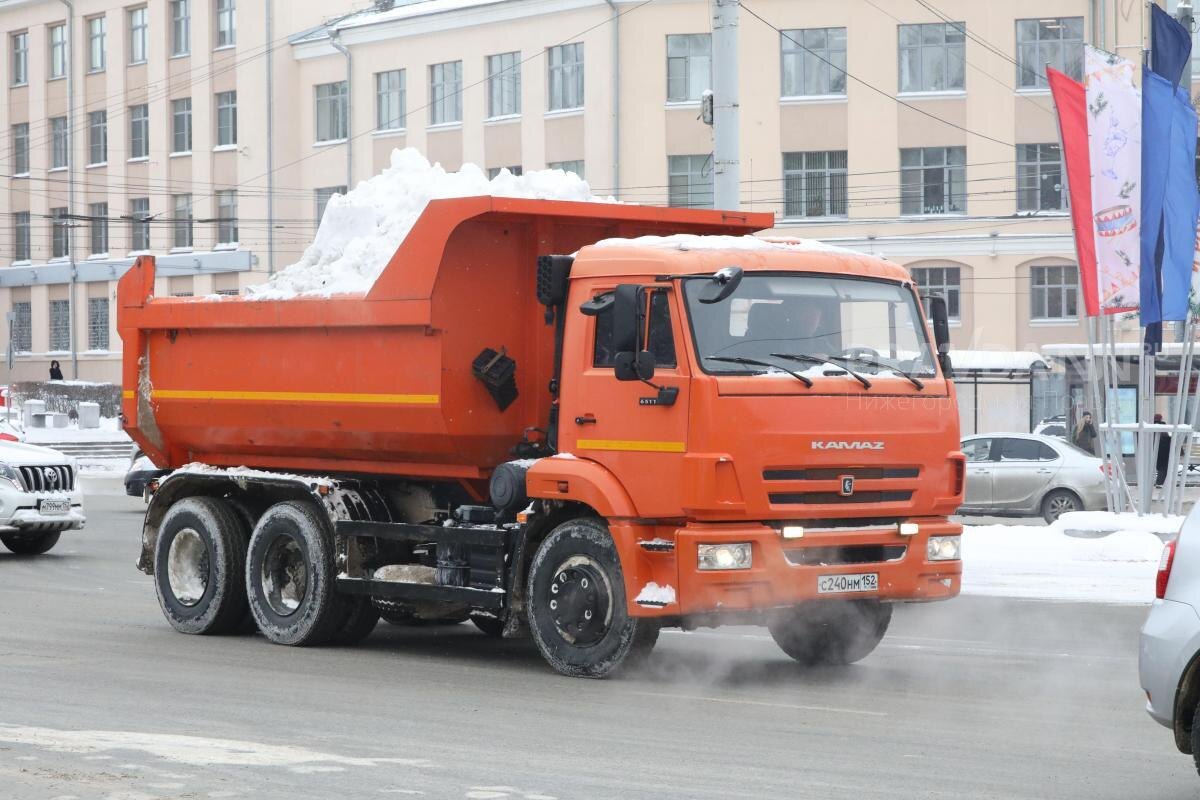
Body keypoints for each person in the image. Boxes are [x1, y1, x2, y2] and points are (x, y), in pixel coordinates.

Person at [1156, 413, 1171, 488]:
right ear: (1161, 419)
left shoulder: (1151, 427)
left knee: (1161, 467)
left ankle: (1159, 482)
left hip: (1156, 452)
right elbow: (1166, 439)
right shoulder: (1163, 427)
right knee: (1163, 468)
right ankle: (1160, 482)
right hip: (1163, 451)